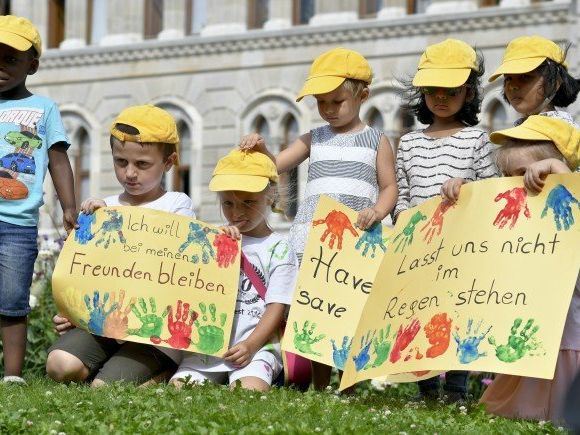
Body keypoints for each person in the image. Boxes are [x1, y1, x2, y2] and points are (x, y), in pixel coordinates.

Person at [239, 47, 398, 390]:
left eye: (336, 101)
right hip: (313, 237)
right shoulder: (314, 137)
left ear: (362, 96)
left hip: (356, 236)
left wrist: (379, 211)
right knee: (316, 310)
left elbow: (389, 187)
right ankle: (320, 383)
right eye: (321, 102)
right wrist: (259, 148)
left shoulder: (376, 140)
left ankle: (350, 383)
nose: (328, 109)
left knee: (349, 309)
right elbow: (275, 166)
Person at [46, 105, 194, 386]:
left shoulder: (177, 204)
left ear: (169, 162)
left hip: (153, 331)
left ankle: (160, 373)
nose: (130, 173)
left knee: (105, 388)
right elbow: (84, 272)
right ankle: (104, 365)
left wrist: (116, 220)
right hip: (103, 325)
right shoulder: (106, 207)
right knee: (59, 365)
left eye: (142, 164)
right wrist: (72, 310)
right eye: (121, 162)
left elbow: (177, 257)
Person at [395, 39, 499, 401]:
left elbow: (491, 189)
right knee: (419, 313)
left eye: (451, 90)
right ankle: (426, 387)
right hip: (420, 248)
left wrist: (466, 187)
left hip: (461, 246)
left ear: (468, 93)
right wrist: (404, 220)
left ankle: (456, 387)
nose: (441, 97)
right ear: (421, 93)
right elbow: (403, 194)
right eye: (433, 90)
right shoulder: (408, 143)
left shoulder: (476, 139)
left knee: (459, 312)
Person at [478, 115, 579, 425]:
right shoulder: (515, 207)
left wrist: (558, 172)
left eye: (524, 173)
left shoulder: (571, 189)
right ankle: (533, 406)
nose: (517, 182)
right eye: (508, 174)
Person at [170, 149, 297, 392]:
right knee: (178, 392)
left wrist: (251, 345)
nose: (237, 212)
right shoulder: (209, 240)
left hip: (257, 348)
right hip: (205, 350)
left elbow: (277, 306)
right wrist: (220, 244)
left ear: (270, 198)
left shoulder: (278, 247)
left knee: (248, 393)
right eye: (228, 203)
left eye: (248, 202)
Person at [0, 15, 76, 384]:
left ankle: (12, 376)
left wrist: (69, 207)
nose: (1, 66)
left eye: (10, 59)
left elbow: (59, 159)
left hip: (17, 224)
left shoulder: (44, 109)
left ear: (32, 64)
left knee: (12, 301)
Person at [488, 35, 579, 128]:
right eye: (508, 79)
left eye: (525, 77)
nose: (512, 86)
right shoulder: (518, 132)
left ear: (555, 82)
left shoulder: (570, 136)